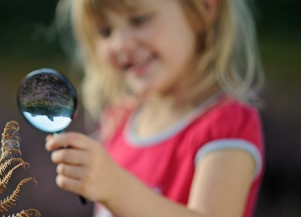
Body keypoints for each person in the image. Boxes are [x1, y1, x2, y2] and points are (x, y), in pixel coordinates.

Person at [45, 0, 265, 216]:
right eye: (105, 31)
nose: (121, 44)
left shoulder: (226, 125)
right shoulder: (119, 119)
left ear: (203, 8)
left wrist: (116, 188)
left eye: (139, 20)